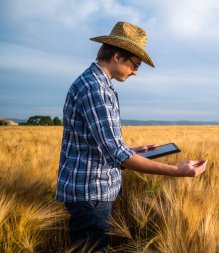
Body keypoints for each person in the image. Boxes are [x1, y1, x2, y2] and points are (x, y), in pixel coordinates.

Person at [56, 22, 207, 252]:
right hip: (91, 195)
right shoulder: (95, 89)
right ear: (117, 56)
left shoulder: (98, 84)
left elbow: (99, 144)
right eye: (135, 65)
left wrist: (132, 151)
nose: (136, 72)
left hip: (91, 193)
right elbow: (117, 155)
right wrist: (178, 171)